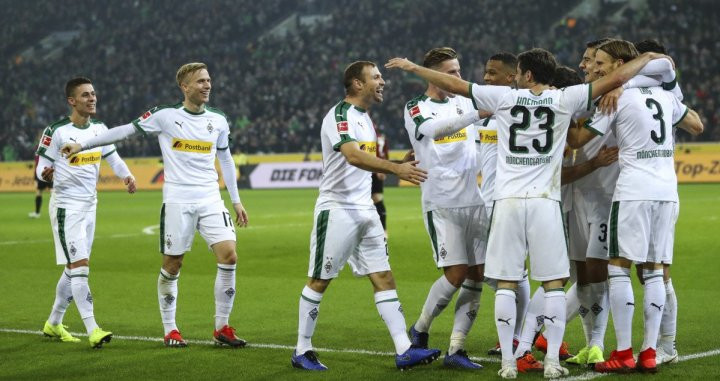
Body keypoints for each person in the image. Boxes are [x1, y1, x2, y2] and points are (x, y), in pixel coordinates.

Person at [386, 47, 666, 379]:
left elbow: (457, 87)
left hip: (507, 202)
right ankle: (550, 363)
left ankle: (508, 362)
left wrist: (413, 67)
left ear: (528, 75)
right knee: (553, 286)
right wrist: (646, 59)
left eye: (518, 72)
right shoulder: (566, 98)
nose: (515, 77)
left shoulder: (504, 98)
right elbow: (618, 77)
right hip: (545, 203)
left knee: (506, 283)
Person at [61, 63, 249, 348]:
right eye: (200, 81)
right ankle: (170, 329)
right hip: (177, 200)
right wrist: (82, 145)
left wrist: (235, 200)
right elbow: (125, 131)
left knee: (229, 256)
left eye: (209, 80)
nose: (207, 85)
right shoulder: (164, 116)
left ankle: (222, 326)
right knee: (173, 265)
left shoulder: (219, 120)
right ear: (185, 87)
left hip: (211, 198)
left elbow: (225, 158)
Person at [291, 60, 438, 371]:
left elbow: (365, 160)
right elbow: (353, 156)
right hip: (338, 209)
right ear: (357, 84)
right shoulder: (339, 115)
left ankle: (404, 349)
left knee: (383, 276)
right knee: (320, 280)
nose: (382, 81)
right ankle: (302, 350)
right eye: (376, 77)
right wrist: (396, 168)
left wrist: (397, 160)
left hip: (365, 211)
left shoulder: (365, 118)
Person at [579, 40, 703, 374]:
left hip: (634, 190)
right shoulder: (666, 97)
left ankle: (622, 352)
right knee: (654, 272)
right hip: (667, 191)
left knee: (618, 268)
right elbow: (695, 124)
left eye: (603, 62)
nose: (597, 68)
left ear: (621, 63)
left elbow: (579, 140)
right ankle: (650, 352)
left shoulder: (614, 98)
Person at [402, 47, 485, 369]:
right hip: (441, 202)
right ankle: (420, 328)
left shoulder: (464, 101)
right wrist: (479, 113)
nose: (459, 78)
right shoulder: (415, 107)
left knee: (477, 274)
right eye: (452, 72)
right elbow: (435, 132)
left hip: (473, 199)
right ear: (433, 74)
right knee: (456, 273)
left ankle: (456, 349)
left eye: (459, 70)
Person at [38, 77, 136, 348]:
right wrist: (45, 175)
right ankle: (93, 329)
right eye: (85, 95)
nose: (92, 98)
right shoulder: (56, 131)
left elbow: (112, 157)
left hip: (90, 206)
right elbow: (41, 166)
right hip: (66, 208)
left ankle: (54, 323)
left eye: (93, 94)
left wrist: (126, 176)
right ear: (72, 101)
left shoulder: (100, 129)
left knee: (73, 268)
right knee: (80, 266)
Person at [634, 38, 703, 366]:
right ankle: (663, 344)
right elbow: (696, 122)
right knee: (647, 271)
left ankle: (666, 345)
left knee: (656, 271)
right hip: (658, 189)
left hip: (648, 188)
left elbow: (695, 124)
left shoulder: (645, 90)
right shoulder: (667, 93)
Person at [371, 125, 389, 237]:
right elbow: (385, 154)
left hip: (371, 170)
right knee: (377, 199)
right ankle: (382, 229)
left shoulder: (370, 137)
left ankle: (383, 230)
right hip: (378, 170)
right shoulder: (383, 138)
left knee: (375, 199)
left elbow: (374, 153)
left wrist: (378, 168)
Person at [29, 147, 53, 218]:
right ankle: (37, 213)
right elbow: (36, 164)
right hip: (44, 173)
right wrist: (35, 177)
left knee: (53, 193)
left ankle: (38, 213)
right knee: (40, 192)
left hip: (49, 172)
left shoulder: (40, 148)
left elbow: (37, 164)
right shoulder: (39, 148)